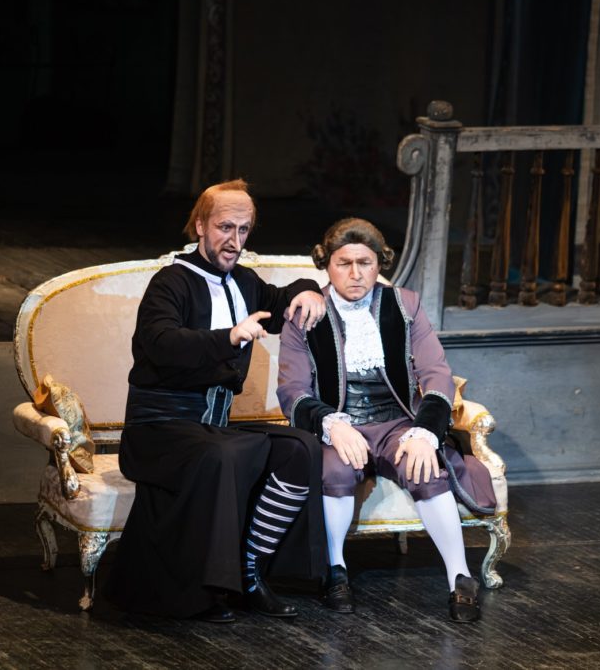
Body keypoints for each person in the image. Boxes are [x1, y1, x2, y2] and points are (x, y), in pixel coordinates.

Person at [105, 179, 328, 623]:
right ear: (200, 226)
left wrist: (308, 290)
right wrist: (229, 337)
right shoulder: (171, 283)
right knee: (223, 453)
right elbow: (161, 343)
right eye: (226, 227)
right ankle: (205, 590)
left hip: (213, 427)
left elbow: (282, 299)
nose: (234, 240)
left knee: (299, 448)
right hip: (159, 429)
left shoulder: (243, 281)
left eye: (243, 230)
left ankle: (250, 572)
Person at [276, 217, 497, 623]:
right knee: (334, 471)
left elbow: (436, 374)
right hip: (341, 425)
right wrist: (332, 425)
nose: (355, 273)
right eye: (344, 263)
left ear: (380, 264)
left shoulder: (405, 305)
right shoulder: (306, 313)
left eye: (365, 262)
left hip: (398, 423)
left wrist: (425, 432)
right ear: (326, 264)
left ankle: (459, 576)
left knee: (426, 469)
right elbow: (292, 390)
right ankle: (335, 571)